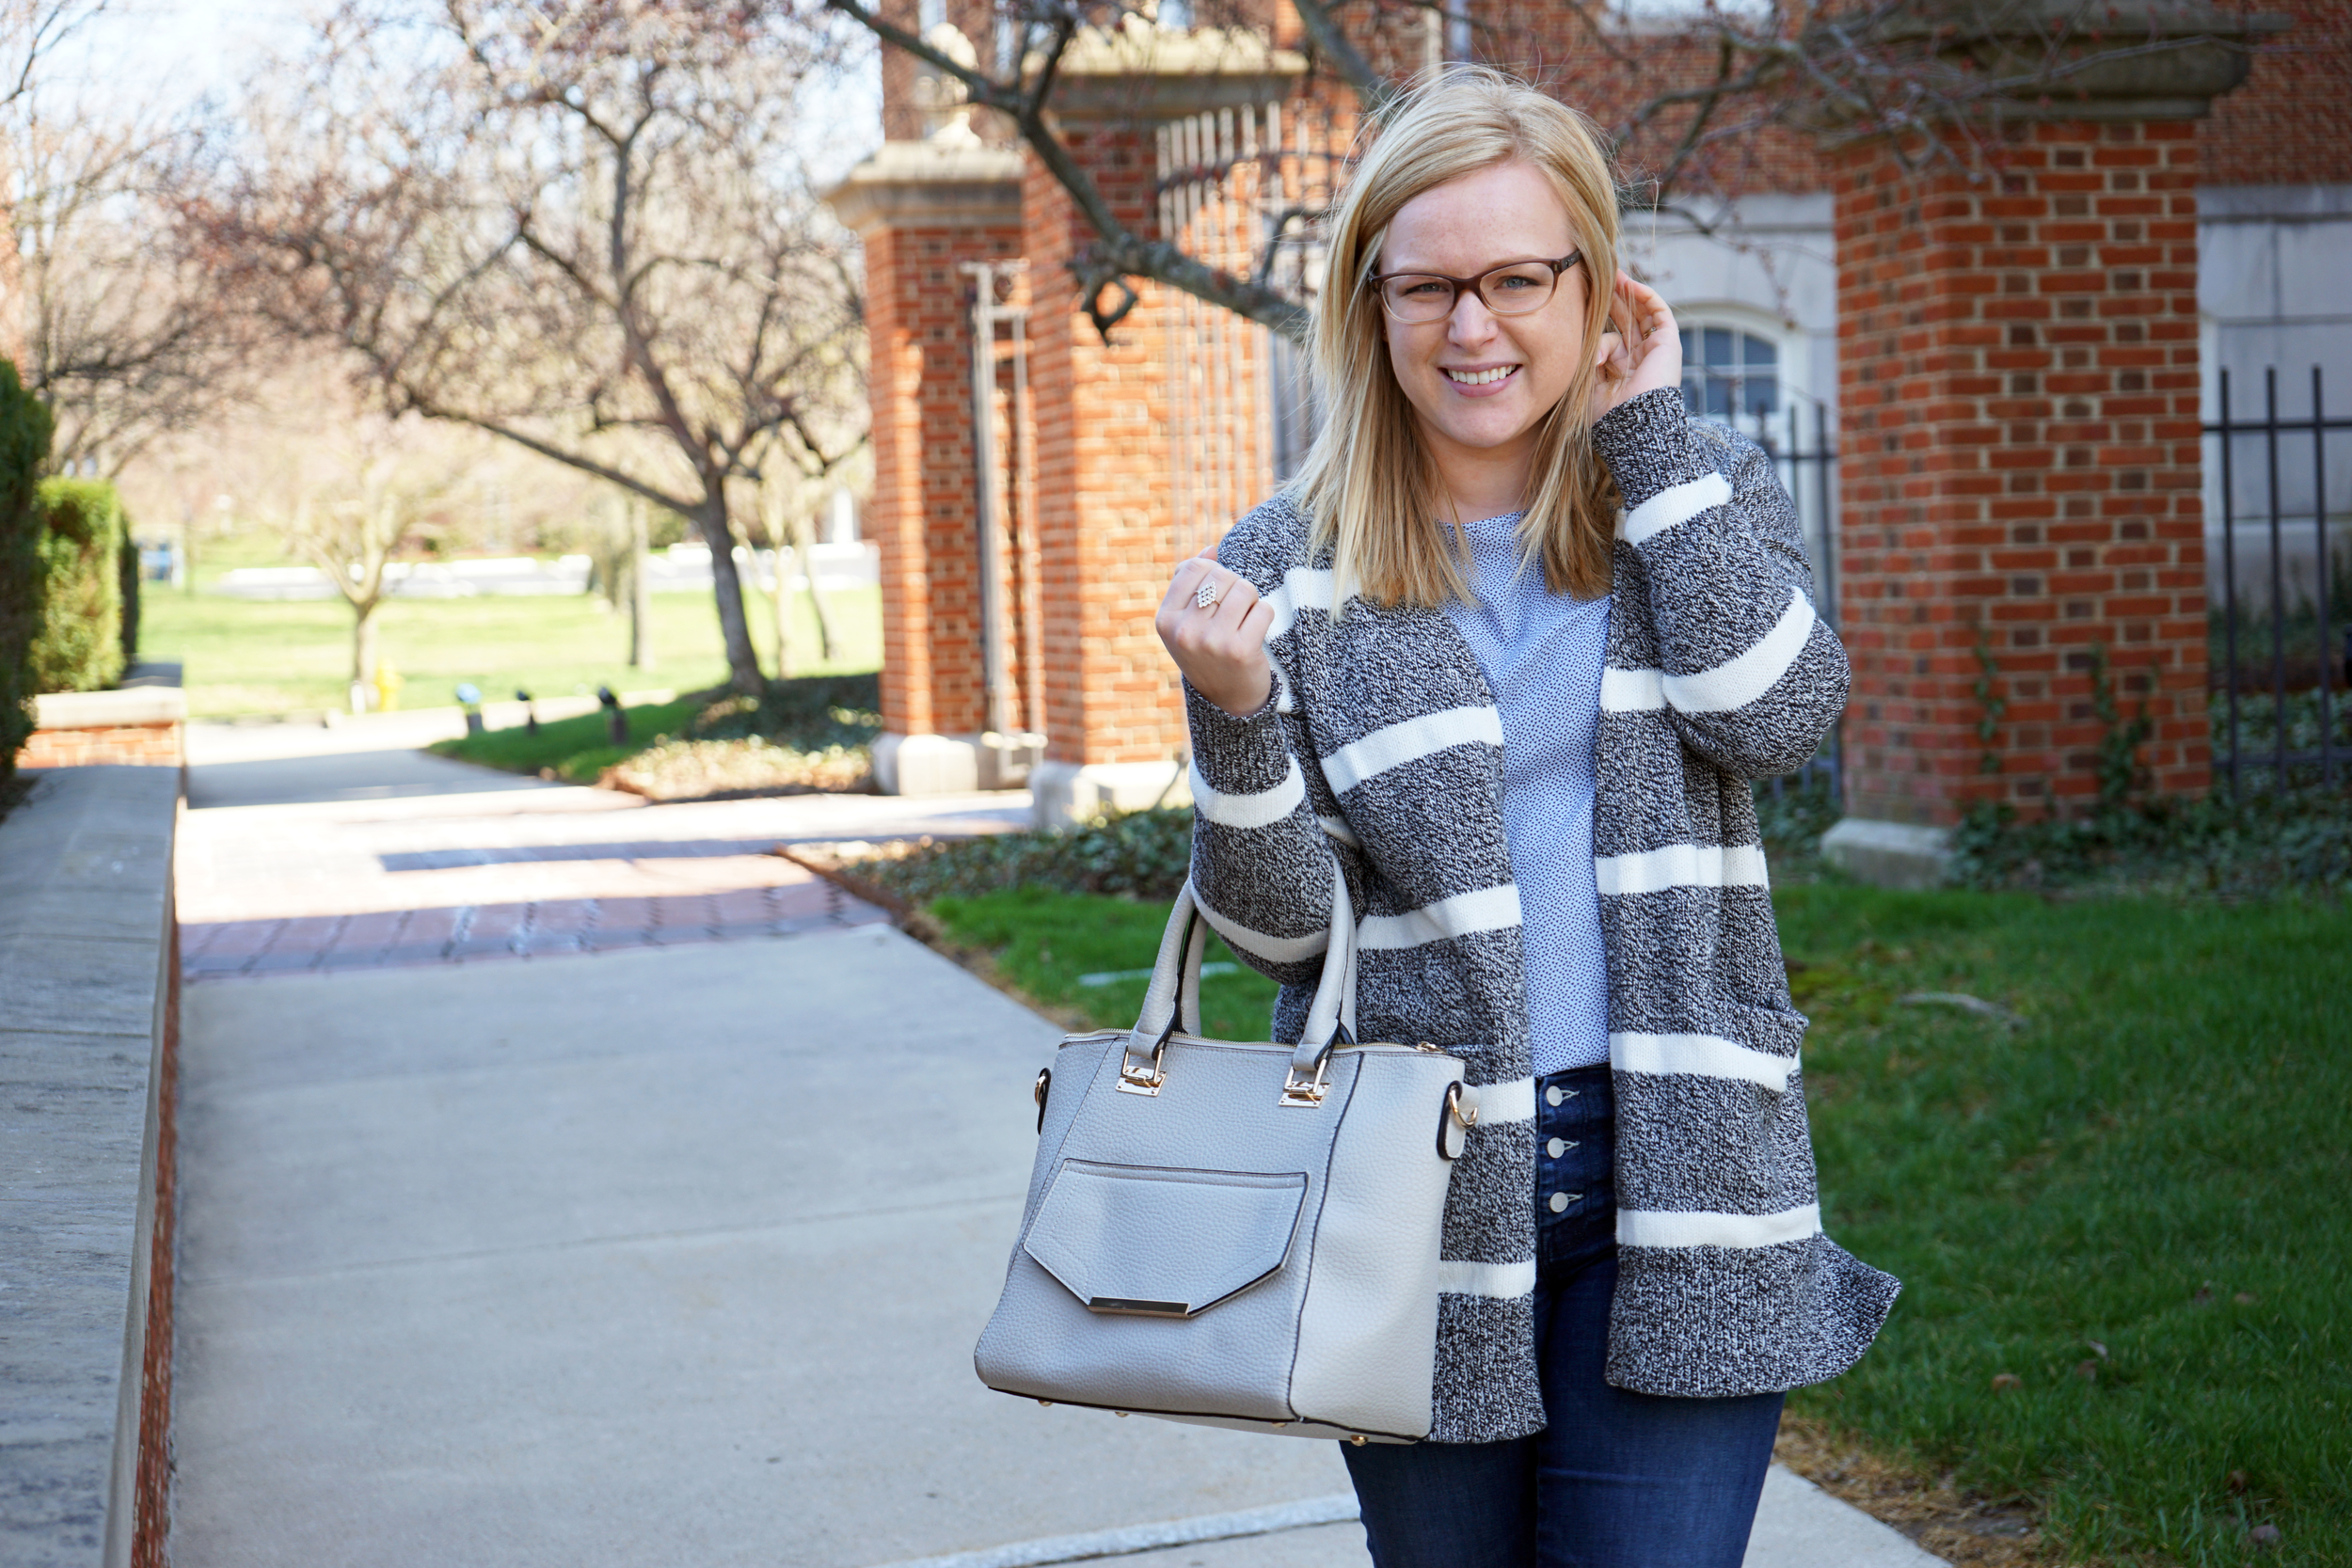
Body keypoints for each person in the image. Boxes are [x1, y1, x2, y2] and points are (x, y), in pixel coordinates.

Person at [1152, 68, 1899, 1568]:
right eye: (1427, 286)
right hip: (1413, 1200)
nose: (1472, 327)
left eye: (1514, 278)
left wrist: (1660, 440)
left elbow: (1783, 717)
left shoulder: (1687, 493)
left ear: (1592, 285)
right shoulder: (1284, 570)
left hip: (1682, 1174)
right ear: (1370, 303)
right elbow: (1279, 930)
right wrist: (1234, 712)